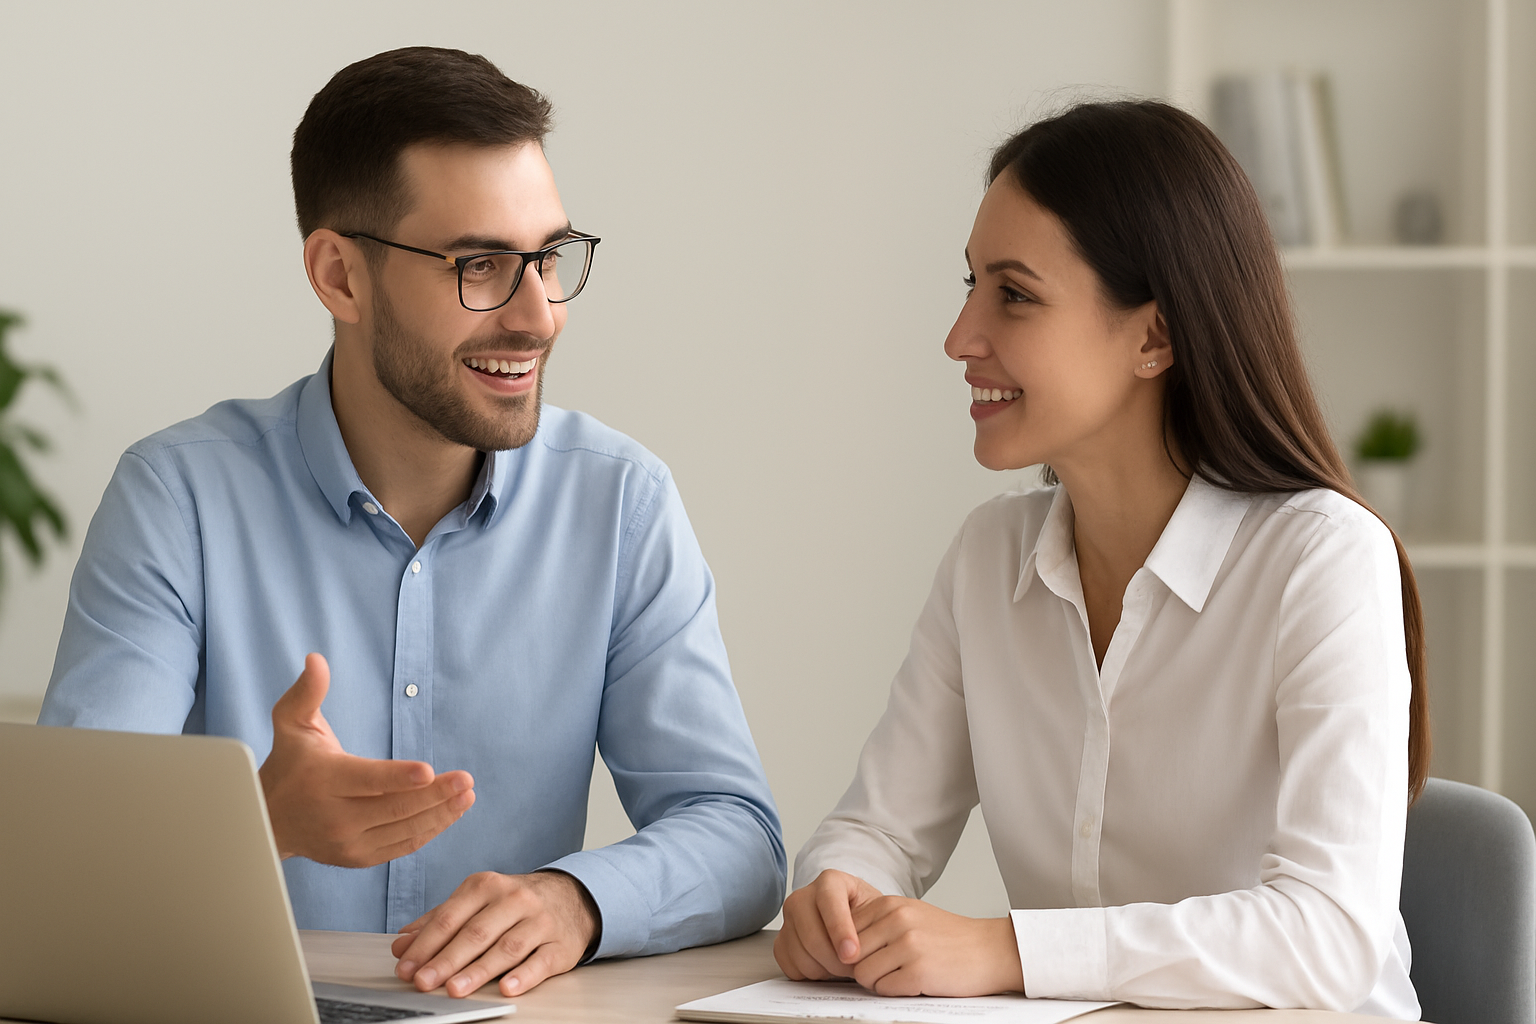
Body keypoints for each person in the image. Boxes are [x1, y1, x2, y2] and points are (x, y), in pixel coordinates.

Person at [40, 46, 785, 999]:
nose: (539, 316)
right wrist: (258, 818)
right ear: (339, 277)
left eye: (549, 260)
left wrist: (574, 903)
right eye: (480, 265)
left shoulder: (621, 503)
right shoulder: (177, 498)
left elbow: (738, 834)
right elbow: (72, 857)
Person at [774, 99, 1427, 1019]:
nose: (961, 338)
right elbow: (879, 826)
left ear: (1155, 336)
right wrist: (840, 893)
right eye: (969, 286)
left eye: (1014, 294)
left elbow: (1327, 934)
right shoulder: (987, 560)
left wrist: (1008, 948)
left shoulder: (1320, 559)